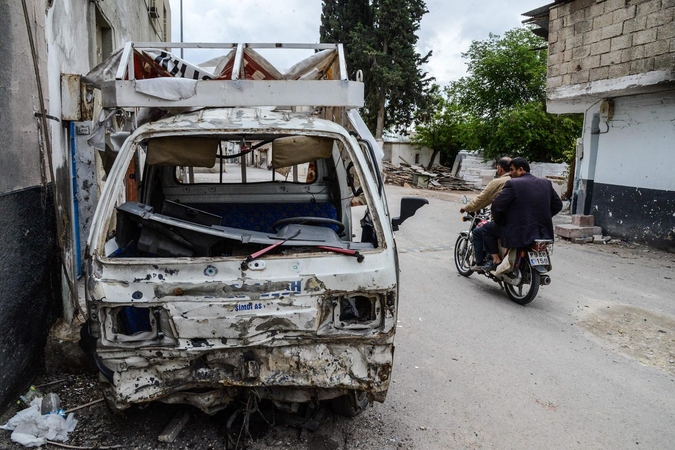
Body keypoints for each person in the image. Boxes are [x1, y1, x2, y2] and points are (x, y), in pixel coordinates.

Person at [487, 157, 563, 271]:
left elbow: (497, 206)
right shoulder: (545, 183)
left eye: (512, 170)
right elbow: (558, 205)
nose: (510, 173)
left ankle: (495, 261)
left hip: (519, 230)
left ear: (521, 169)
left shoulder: (513, 184)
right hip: (541, 230)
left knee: (484, 230)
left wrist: (500, 221)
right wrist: (542, 217)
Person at [459, 157, 511, 271]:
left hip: (506, 222)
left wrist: (466, 207)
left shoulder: (499, 182)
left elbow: (482, 199)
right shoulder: (521, 181)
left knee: (479, 232)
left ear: (500, 168)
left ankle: (490, 261)